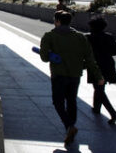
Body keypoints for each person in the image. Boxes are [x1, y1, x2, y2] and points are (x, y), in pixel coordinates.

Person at [40, 10, 104, 144]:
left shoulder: (49, 36)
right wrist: (98, 76)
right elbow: (90, 58)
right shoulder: (81, 37)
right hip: (75, 75)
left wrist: (51, 54)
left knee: (58, 102)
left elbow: (44, 58)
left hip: (58, 75)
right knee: (72, 101)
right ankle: (71, 127)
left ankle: (69, 126)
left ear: (57, 21)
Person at [86, 17, 116, 125]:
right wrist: (106, 53)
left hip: (95, 65)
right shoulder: (108, 37)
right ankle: (96, 108)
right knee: (100, 87)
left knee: (99, 89)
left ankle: (113, 113)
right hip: (108, 64)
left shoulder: (88, 37)